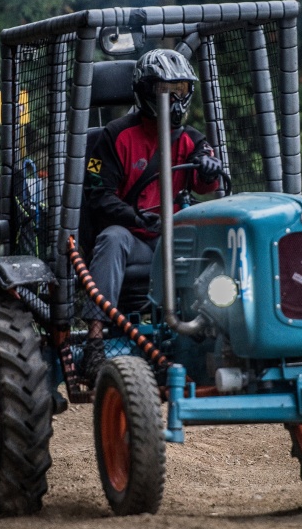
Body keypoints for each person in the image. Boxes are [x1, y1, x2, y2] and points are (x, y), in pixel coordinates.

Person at [80, 48, 222, 379]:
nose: (174, 99)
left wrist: (209, 167)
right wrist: (135, 217)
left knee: (210, 244)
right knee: (112, 238)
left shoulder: (193, 140)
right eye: (165, 90)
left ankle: (205, 335)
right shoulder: (115, 136)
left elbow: (206, 183)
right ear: (146, 91)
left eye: (181, 89)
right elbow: (98, 196)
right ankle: (94, 343)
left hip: (170, 240)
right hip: (131, 236)